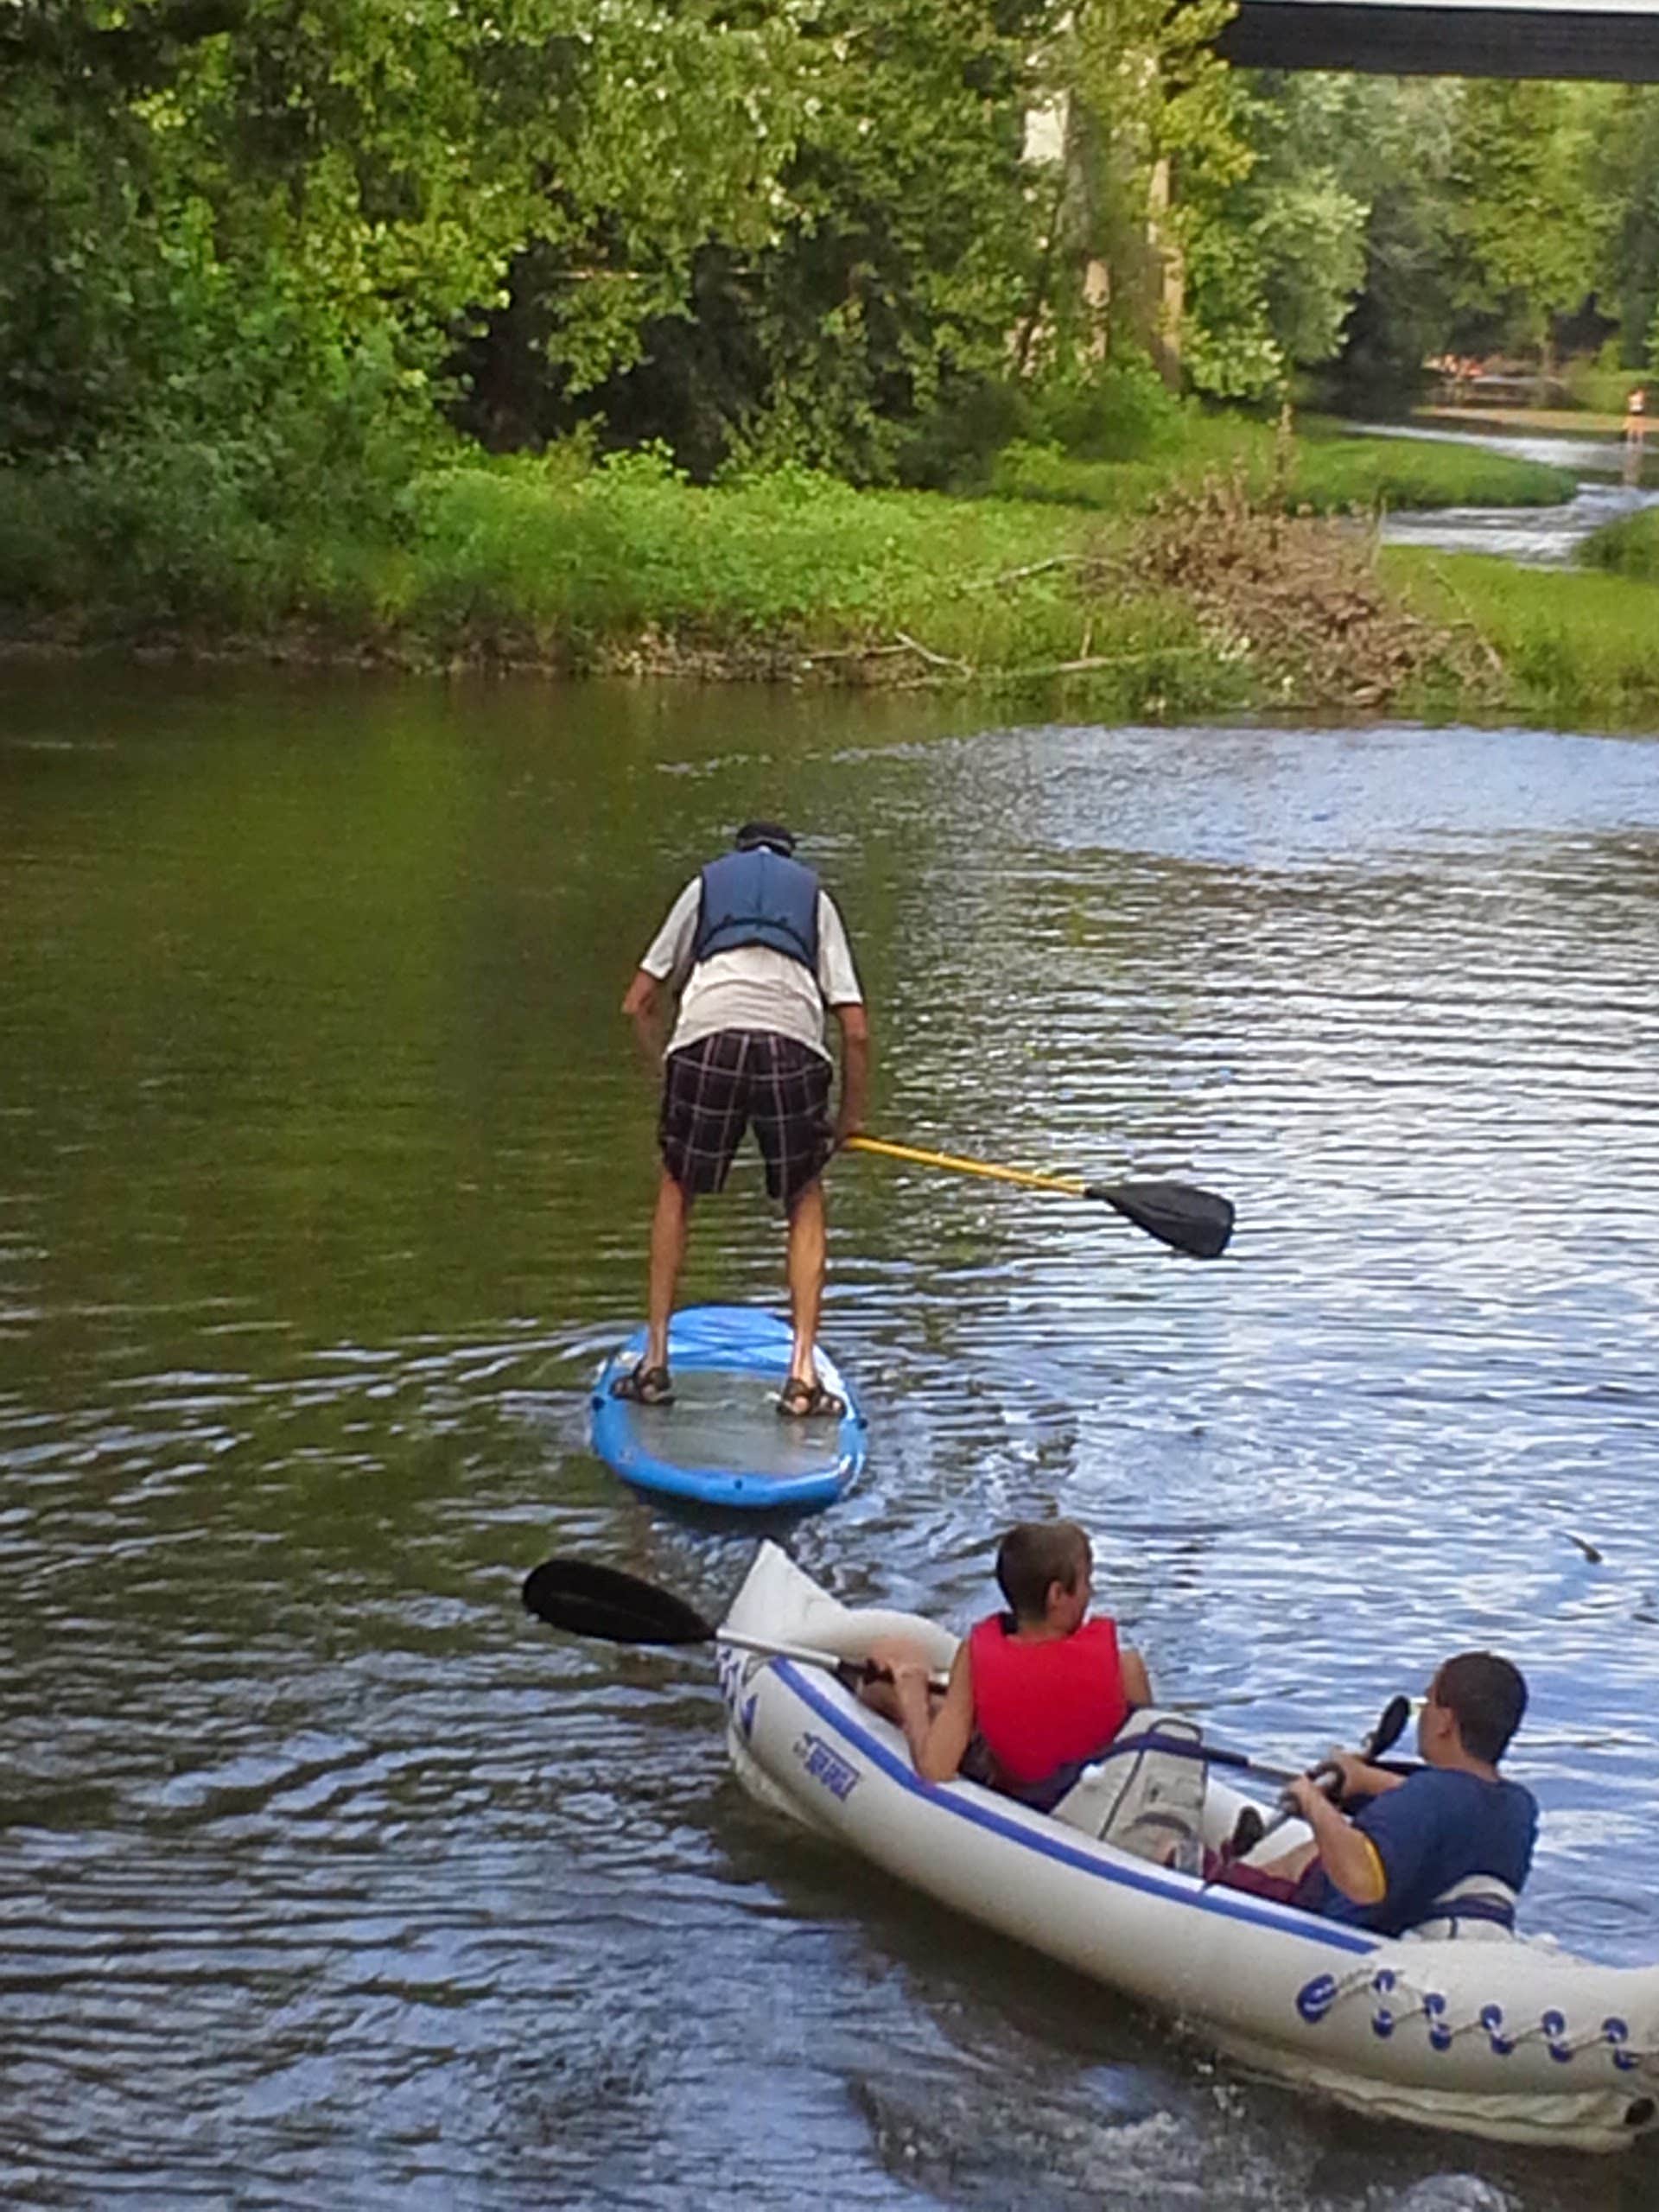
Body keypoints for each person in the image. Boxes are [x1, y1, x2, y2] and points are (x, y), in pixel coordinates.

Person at [614, 820, 869, 1416]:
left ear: (738, 852)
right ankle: (801, 1378)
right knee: (804, 1195)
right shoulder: (816, 899)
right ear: (790, 857)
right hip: (792, 1045)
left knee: (678, 1185)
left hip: (705, 1039)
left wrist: (669, 1073)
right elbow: (855, 1030)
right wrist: (849, 1120)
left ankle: (655, 1365)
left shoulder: (704, 887)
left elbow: (639, 1002)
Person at [1214, 1652, 1537, 1938]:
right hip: (1426, 1919)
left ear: (1445, 1722)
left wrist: (1311, 1800)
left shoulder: (1427, 1797)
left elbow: (1362, 1885)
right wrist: (1363, 1780)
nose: (1422, 1715)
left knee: (1203, 1862)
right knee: (1311, 1852)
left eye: (1428, 1703)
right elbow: (1447, 1801)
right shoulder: (1518, 1806)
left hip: (1327, 1923)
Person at [862, 1520, 1154, 1813]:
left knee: (887, 1687)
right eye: (1086, 1583)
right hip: (1097, 1801)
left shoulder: (975, 1659)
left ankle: (899, 1687)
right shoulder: (1125, 1668)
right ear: (1056, 1595)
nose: (1090, 1594)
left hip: (1022, 1793)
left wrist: (912, 1694)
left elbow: (935, 1768)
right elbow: (1148, 1765)